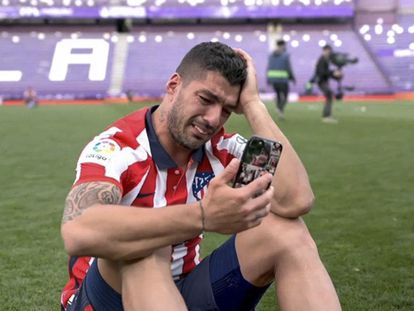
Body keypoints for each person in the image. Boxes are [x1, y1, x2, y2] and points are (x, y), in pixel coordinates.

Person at [60, 42, 342, 311]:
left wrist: (254, 105)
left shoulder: (220, 147)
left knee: (286, 231)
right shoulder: (120, 147)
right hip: (103, 300)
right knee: (150, 247)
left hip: (179, 293)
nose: (212, 119)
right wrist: (203, 216)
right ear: (174, 86)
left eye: (227, 110)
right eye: (206, 99)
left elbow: (295, 200)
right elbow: (78, 231)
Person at [266, 39, 296, 119]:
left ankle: (279, 108)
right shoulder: (285, 55)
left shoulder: (271, 55)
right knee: (285, 96)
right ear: (283, 45)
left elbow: (269, 67)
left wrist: (268, 79)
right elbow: (288, 67)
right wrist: (292, 77)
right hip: (283, 79)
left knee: (279, 95)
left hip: (274, 80)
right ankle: (280, 109)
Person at [313, 44, 343, 123]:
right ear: (325, 50)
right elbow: (322, 72)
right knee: (329, 95)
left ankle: (327, 115)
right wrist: (333, 73)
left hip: (323, 81)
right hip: (321, 82)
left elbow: (326, 73)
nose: (329, 53)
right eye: (328, 51)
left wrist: (335, 75)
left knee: (329, 96)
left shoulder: (325, 60)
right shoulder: (322, 60)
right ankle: (326, 116)